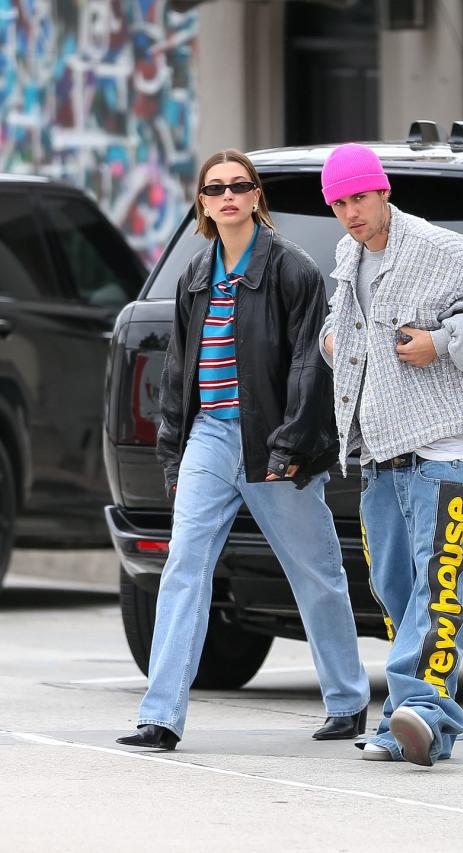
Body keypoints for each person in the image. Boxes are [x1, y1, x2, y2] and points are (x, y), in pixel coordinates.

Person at [117, 149, 369, 751]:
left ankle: (347, 701)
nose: (227, 196)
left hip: (274, 443)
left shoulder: (293, 270)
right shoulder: (195, 276)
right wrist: (175, 451)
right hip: (210, 436)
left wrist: (293, 445)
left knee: (317, 572)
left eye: (238, 186)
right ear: (202, 204)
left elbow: (311, 364)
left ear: (256, 196)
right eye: (214, 189)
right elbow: (180, 370)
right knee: (183, 568)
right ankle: (161, 716)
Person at [319, 143, 463, 766]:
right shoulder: (347, 253)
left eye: (360, 197)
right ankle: (414, 719)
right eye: (339, 202)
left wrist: (443, 341)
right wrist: (335, 338)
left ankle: (421, 716)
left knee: (437, 588)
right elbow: (348, 319)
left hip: (438, 447)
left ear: (383, 192)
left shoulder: (438, 248)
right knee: (394, 588)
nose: (351, 212)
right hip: (378, 448)